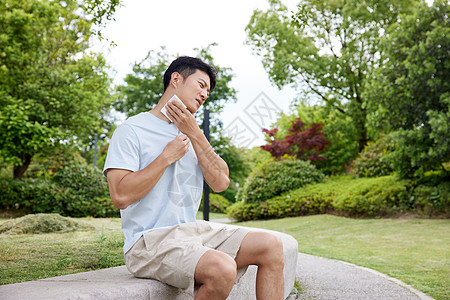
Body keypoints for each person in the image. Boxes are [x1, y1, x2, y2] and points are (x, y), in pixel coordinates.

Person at [103, 56, 284, 299]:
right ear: (176, 79)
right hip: (148, 242)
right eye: (201, 85)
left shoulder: (193, 135)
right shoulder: (132, 130)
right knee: (222, 268)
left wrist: (195, 133)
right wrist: (166, 157)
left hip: (191, 233)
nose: (205, 94)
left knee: (271, 246)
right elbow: (121, 195)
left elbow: (221, 182)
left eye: (208, 90)